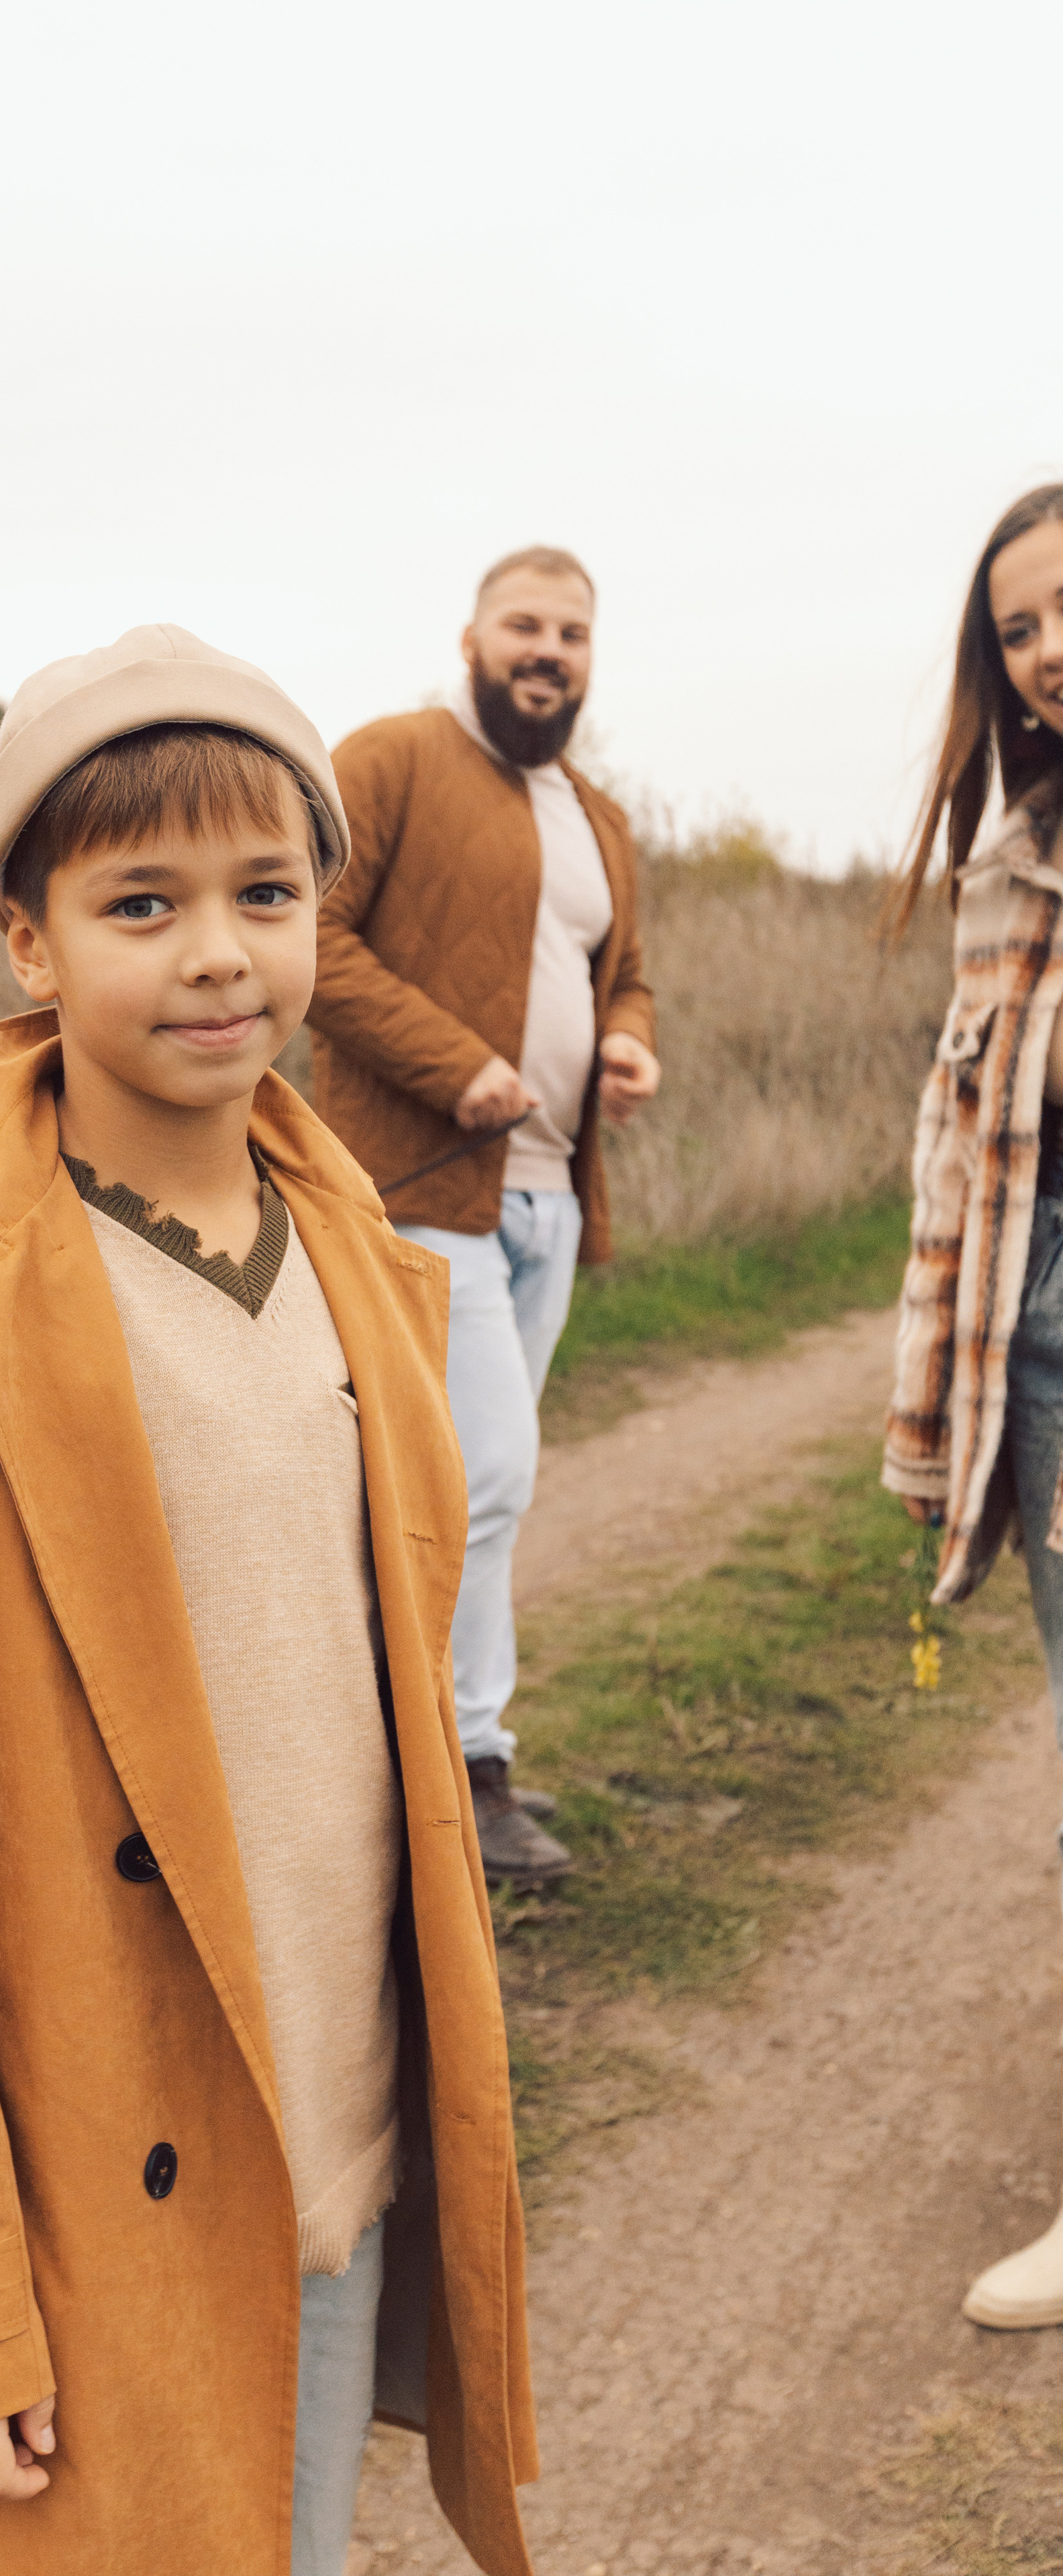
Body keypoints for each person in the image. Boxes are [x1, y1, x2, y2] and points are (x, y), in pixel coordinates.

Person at [0, 625, 538, 2576]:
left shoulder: (353, 1235)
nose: (220, 953)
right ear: (28, 939)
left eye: (266, 893)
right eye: (143, 903)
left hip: (331, 2119)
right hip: (84, 2160)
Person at [308, 550, 660, 1884]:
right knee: (487, 1478)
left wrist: (624, 1045)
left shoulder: (600, 819)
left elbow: (623, 978)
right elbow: (312, 941)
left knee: (457, 1496)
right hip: (412, 1194)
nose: (547, 651)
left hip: (547, 1204)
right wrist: (452, 1062)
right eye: (524, 624)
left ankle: (410, 1754)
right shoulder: (387, 760)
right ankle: (467, 1769)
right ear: (470, 634)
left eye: (570, 633)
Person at [883, 482, 1063, 2330]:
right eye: (1018, 628)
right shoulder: (1006, 852)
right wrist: (929, 1416)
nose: (1047, 649)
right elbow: (965, 1156)